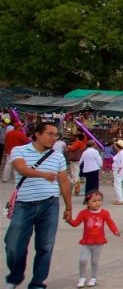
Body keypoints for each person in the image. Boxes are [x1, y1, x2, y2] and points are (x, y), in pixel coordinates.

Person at [4, 121, 73, 289]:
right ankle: (15, 275)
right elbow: (21, 169)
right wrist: (44, 175)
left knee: (45, 246)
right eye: (50, 134)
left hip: (49, 205)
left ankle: (37, 283)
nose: (53, 138)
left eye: (56, 135)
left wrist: (68, 207)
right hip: (24, 205)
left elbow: (64, 181)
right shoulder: (19, 150)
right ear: (37, 134)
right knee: (13, 244)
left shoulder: (57, 156)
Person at [65, 190, 120, 287]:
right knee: (83, 260)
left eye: (99, 200)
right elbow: (76, 223)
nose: (97, 203)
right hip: (86, 242)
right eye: (94, 201)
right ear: (87, 202)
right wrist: (69, 220)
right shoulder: (83, 213)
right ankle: (82, 278)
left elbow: (110, 223)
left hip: (99, 242)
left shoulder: (104, 213)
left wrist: (115, 231)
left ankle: (93, 278)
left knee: (94, 261)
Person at [111, 140, 123, 205]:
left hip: (119, 170)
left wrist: (119, 169)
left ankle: (120, 199)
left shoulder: (122, 153)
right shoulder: (121, 152)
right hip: (118, 169)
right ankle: (119, 198)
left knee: (117, 184)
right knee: (117, 184)